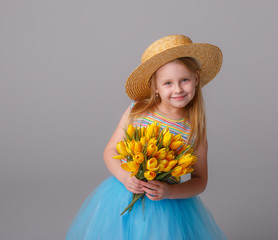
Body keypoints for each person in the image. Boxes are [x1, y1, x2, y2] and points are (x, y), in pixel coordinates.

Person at [65, 34, 227, 239]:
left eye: (184, 80)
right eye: (168, 83)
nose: (177, 89)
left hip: (166, 206)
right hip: (124, 194)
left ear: (196, 79)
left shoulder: (193, 127)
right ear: (155, 87)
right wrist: (126, 178)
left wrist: (169, 192)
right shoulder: (138, 110)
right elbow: (110, 151)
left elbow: (200, 180)